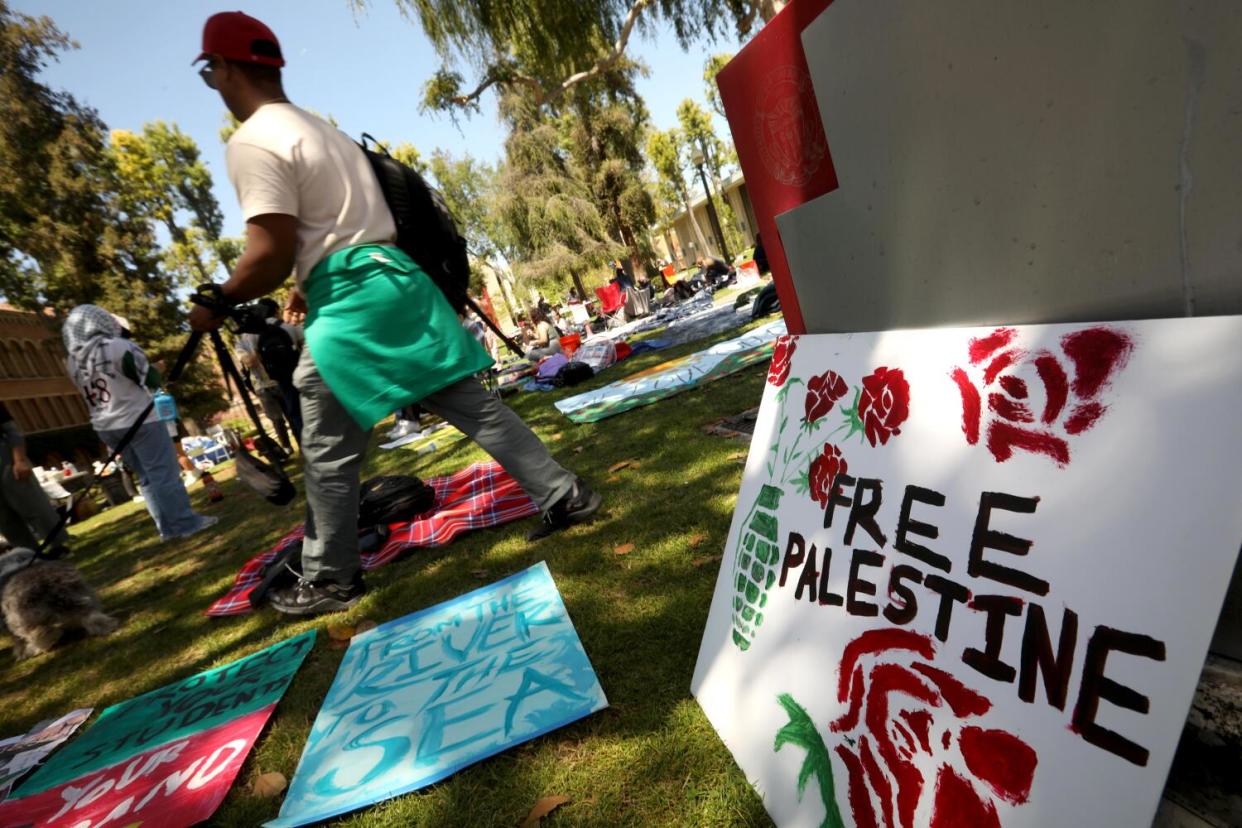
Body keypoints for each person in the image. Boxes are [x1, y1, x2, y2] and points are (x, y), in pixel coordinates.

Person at [188, 12, 601, 615]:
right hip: (396, 282)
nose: (214, 86)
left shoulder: (252, 140)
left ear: (223, 67)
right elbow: (339, 231)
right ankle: (565, 495)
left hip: (352, 304)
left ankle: (330, 577)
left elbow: (270, 251)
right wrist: (311, 276)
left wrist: (217, 301)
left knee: (326, 446)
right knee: (473, 406)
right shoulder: (322, 131)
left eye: (209, 74)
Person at [64, 306, 218, 541]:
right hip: (139, 419)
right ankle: (186, 523)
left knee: (146, 478)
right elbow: (150, 379)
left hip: (106, 426)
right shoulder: (118, 346)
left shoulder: (73, 362)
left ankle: (166, 529)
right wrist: (156, 369)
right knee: (164, 473)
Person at [0, 403, 70, 557]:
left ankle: (58, 545)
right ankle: (29, 554)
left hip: (6, 460)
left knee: (33, 504)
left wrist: (19, 460)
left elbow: (12, 432)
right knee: (5, 519)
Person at [236, 299, 303, 451]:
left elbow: (249, 361)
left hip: (267, 381)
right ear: (276, 310)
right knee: (297, 413)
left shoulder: (248, 336)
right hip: (294, 375)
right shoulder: (287, 326)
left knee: (277, 420)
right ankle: (304, 444)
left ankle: (287, 447)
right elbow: (304, 345)